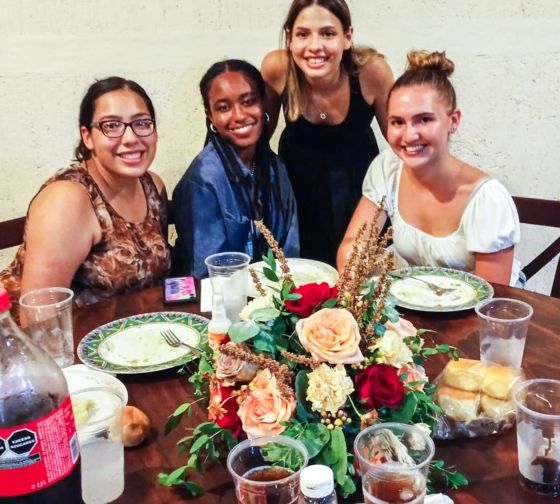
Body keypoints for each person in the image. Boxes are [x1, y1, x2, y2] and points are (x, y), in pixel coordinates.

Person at [338, 51, 521, 285]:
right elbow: (355, 243)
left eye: (424, 119)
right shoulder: (387, 167)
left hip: (476, 314)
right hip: (408, 304)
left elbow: (492, 303)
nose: (409, 135)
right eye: (397, 122)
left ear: (453, 121)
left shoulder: (487, 199)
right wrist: (354, 281)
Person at [0, 77, 171, 315]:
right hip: (38, 345)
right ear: (87, 136)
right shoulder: (67, 200)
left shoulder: (152, 185)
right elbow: (39, 317)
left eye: (141, 123)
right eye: (111, 126)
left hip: (128, 335)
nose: (131, 138)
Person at [261, 0, 393, 266]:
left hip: (358, 196)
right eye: (303, 34)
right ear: (289, 37)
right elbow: (256, 142)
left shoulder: (371, 72)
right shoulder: (278, 70)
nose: (314, 46)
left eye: (328, 33)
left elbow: (402, 144)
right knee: (304, 284)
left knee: (358, 285)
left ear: (347, 37)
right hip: (298, 194)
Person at [172, 59, 299, 278]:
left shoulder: (275, 168)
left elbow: (290, 253)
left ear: (264, 104)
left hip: (276, 296)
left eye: (249, 101)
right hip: (219, 300)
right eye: (223, 107)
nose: (239, 115)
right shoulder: (203, 180)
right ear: (210, 115)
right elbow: (207, 273)